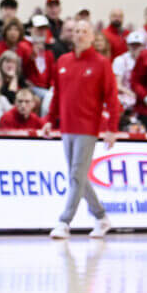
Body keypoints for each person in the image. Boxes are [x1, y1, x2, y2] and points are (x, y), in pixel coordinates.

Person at [44, 20, 120, 240]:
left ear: (92, 36)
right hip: (66, 127)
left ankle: (64, 222)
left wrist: (112, 129)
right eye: (76, 31)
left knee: (76, 175)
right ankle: (102, 216)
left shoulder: (101, 63)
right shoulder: (63, 61)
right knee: (77, 175)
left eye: (84, 31)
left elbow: (112, 98)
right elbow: (57, 95)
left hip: (87, 128)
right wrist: (49, 120)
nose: (79, 35)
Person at [114, 31, 145, 111]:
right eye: (132, 45)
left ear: (143, 46)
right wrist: (132, 94)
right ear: (128, 45)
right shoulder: (121, 60)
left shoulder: (146, 60)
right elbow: (117, 85)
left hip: (143, 95)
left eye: (138, 45)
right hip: (127, 95)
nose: (135, 47)